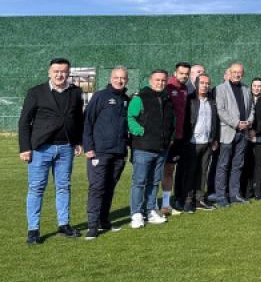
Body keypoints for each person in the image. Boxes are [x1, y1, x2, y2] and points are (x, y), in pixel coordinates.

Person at [19, 57, 85, 244]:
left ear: (68, 73)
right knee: (36, 188)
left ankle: (64, 225)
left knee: (64, 187)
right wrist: (25, 148)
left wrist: (78, 141)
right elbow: (24, 121)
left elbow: (78, 119)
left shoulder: (75, 92)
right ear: (49, 72)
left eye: (63, 71)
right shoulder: (36, 92)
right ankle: (33, 230)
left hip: (66, 149)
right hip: (41, 149)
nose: (59, 75)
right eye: (56, 71)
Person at [82, 66, 130, 239]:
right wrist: (88, 147)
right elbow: (87, 121)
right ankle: (92, 226)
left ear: (127, 80)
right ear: (110, 79)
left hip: (119, 152)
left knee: (110, 188)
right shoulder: (100, 96)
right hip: (100, 152)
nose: (119, 80)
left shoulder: (126, 99)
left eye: (122, 78)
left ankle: (104, 221)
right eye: (116, 77)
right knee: (97, 188)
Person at [127, 69, 175, 228]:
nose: (160, 83)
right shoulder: (140, 97)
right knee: (139, 182)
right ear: (150, 81)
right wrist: (139, 131)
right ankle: (136, 214)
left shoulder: (167, 98)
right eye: (157, 80)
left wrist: (170, 137)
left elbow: (172, 121)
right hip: (143, 147)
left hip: (161, 149)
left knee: (154, 182)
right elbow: (130, 117)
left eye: (163, 80)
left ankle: (150, 210)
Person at [213, 62, 254, 207]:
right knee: (223, 165)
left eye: (239, 72)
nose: (237, 74)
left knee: (238, 165)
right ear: (229, 73)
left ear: (243, 74)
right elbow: (221, 111)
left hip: (243, 133)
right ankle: (221, 196)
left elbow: (252, 109)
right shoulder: (220, 89)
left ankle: (234, 194)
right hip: (227, 132)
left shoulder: (246, 89)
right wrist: (236, 123)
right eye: (234, 72)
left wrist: (248, 122)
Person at [179, 73, 218, 211]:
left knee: (203, 172)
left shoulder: (212, 101)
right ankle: (188, 200)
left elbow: (215, 121)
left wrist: (214, 138)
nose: (205, 86)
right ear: (196, 84)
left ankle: (199, 199)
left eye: (207, 83)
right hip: (192, 142)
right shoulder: (189, 100)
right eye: (202, 83)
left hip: (207, 142)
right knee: (190, 172)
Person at [162, 62, 190, 215]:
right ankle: (149, 205)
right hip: (165, 138)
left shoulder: (185, 89)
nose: (184, 76)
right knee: (155, 171)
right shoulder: (167, 87)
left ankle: (166, 205)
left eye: (186, 74)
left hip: (178, 137)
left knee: (169, 169)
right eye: (181, 73)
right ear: (175, 73)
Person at [244, 77, 261, 199]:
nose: (256, 88)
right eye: (254, 85)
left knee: (259, 163)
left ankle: (258, 190)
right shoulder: (246, 97)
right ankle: (247, 191)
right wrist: (248, 131)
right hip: (246, 135)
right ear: (251, 86)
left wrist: (256, 132)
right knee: (248, 163)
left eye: (259, 86)